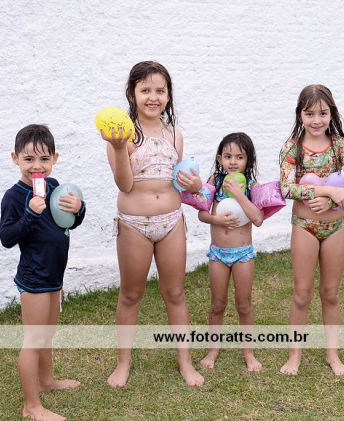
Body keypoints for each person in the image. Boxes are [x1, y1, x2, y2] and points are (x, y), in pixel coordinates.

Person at [101, 61, 204, 387]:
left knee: (175, 292)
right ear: (132, 94)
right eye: (145, 90)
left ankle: (185, 362)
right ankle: (123, 363)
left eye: (160, 90)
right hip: (135, 225)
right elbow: (124, 184)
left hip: (172, 222)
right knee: (131, 294)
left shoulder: (175, 134)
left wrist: (194, 185)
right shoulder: (122, 135)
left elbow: (179, 180)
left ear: (168, 95)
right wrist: (120, 148)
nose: (153, 97)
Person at [278, 85, 344, 376]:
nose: (316, 120)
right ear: (300, 115)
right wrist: (328, 190)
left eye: (322, 113)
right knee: (301, 293)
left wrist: (331, 200)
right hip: (304, 227)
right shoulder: (292, 148)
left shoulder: (341, 146)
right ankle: (294, 355)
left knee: (330, 293)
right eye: (309, 114)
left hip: (335, 228)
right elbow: (286, 188)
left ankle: (333, 354)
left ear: (331, 114)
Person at [0, 124, 86, 421]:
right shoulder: (14, 197)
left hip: (54, 276)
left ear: (55, 158)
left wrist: (79, 208)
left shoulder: (54, 186)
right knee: (34, 340)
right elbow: (7, 238)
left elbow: (68, 222)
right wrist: (29, 215)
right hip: (34, 279)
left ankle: (46, 381)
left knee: (47, 334)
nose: (37, 166)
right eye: (29, 159)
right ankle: (31, 406)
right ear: (15, 159)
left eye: (44, 159)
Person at [197, 133, 265, 371]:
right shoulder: (214, 181)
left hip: (242, 253)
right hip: (218, 254)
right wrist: (216, 219)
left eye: (239, 157)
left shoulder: (253, 186)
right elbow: (202, 213)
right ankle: (213, 349)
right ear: (220, 159)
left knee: (243, 304)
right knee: (217, 304)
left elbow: (258, 219)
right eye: (228, 156)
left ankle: (249, 353)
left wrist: (237, 193)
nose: (233, 162)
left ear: (248, 160)